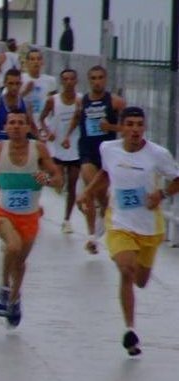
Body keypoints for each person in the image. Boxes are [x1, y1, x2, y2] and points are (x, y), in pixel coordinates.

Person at [77, 107, 179, 355]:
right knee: (126, 269)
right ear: (121, 127)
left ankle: (133, 296)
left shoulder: (157, 154)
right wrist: (88, 192)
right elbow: (106, 173)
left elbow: (177, 179)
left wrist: (161, 194)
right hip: (119, 223)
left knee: (141, 281)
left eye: (139, 125)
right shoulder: (108, 149)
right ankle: (130, 331)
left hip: (148, 227)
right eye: (130, 124)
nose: (135, 130)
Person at [0, 109, 63, 328]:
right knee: (12, 247)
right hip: (4, 213)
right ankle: (4, 287)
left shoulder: (38, 149)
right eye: (11, 123)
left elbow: (58, 178)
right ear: (4, 127)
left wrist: (48, 180)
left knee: (20, 262)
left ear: (27, 127)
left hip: (30, 216)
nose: (15, 126)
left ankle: (14, 300)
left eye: (20, 123)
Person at [63, 66, 126, 254]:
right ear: (88, 81)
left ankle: (101, 223)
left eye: (100, 78)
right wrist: (67, 136)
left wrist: (110, 126)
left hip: (107, 154)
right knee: (90, 192)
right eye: (93, 78)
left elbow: (128, 129)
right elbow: (76, 119)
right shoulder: (82, 101)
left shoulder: (115, 102)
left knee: (103, 198)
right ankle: (91, 236)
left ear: (105, 79)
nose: (96, 81)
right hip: (87, 152)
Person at [39, 68, 81, 234]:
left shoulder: (80, 100)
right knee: (58, 181)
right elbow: (42, 118)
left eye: (72, 79)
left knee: (72, 184)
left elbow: (81, 120)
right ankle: (37, 194)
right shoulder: (53, 100)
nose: (69, 82)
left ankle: (67, 220)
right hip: (56, 148)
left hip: (75, 147)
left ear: (76, 81)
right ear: (61, 82)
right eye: (65, 79)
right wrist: (46, 132)